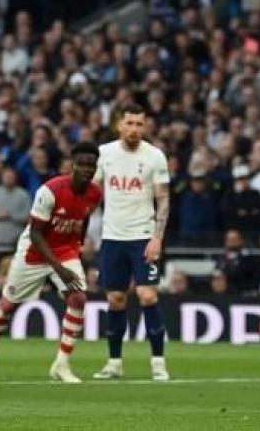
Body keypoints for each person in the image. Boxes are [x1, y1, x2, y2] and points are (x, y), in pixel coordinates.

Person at [0, 142, 102, 383]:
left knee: (78, 298)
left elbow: (84, 219)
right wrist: (60, 269)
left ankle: (61, 364)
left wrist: (77, 250)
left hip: (66, 251)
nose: (86, 169)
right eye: (81, 163)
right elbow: (37, 234)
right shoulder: (49, 191)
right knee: (8, 306)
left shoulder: (95, 193)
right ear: (72, 164)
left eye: (91, 165)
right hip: (33, 252)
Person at [92, 104, 171, 381]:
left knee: (147, 295)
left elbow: (162, 199)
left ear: (145, 127)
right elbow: (93, 194)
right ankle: (114, 362)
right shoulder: (104, 154)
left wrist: (157, 237)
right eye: (130, 123)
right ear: (119, 125)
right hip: (112, 236)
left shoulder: (155, 157)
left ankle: (158, 362)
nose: (135, 129)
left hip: (143, 237)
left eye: (140, 124)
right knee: (115, 299)